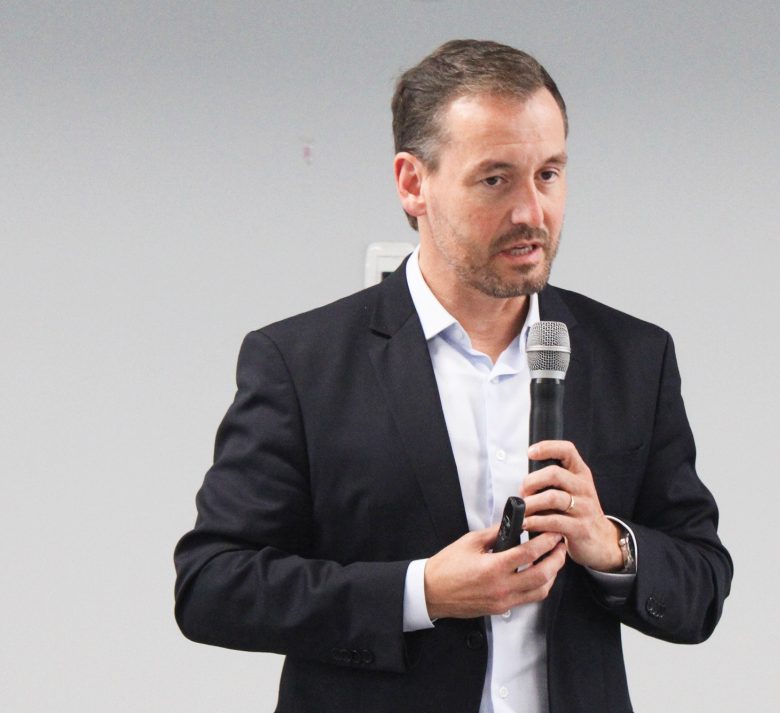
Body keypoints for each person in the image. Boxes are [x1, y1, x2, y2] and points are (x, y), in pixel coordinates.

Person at [174, 39, 732, 713]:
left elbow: (702, 584)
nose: (532, 212)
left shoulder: (633, 357)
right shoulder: (301, 363)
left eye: (549, 174)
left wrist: (610, 545)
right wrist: (422, 593)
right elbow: (212, 585)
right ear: (413, 183)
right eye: (496, 179)